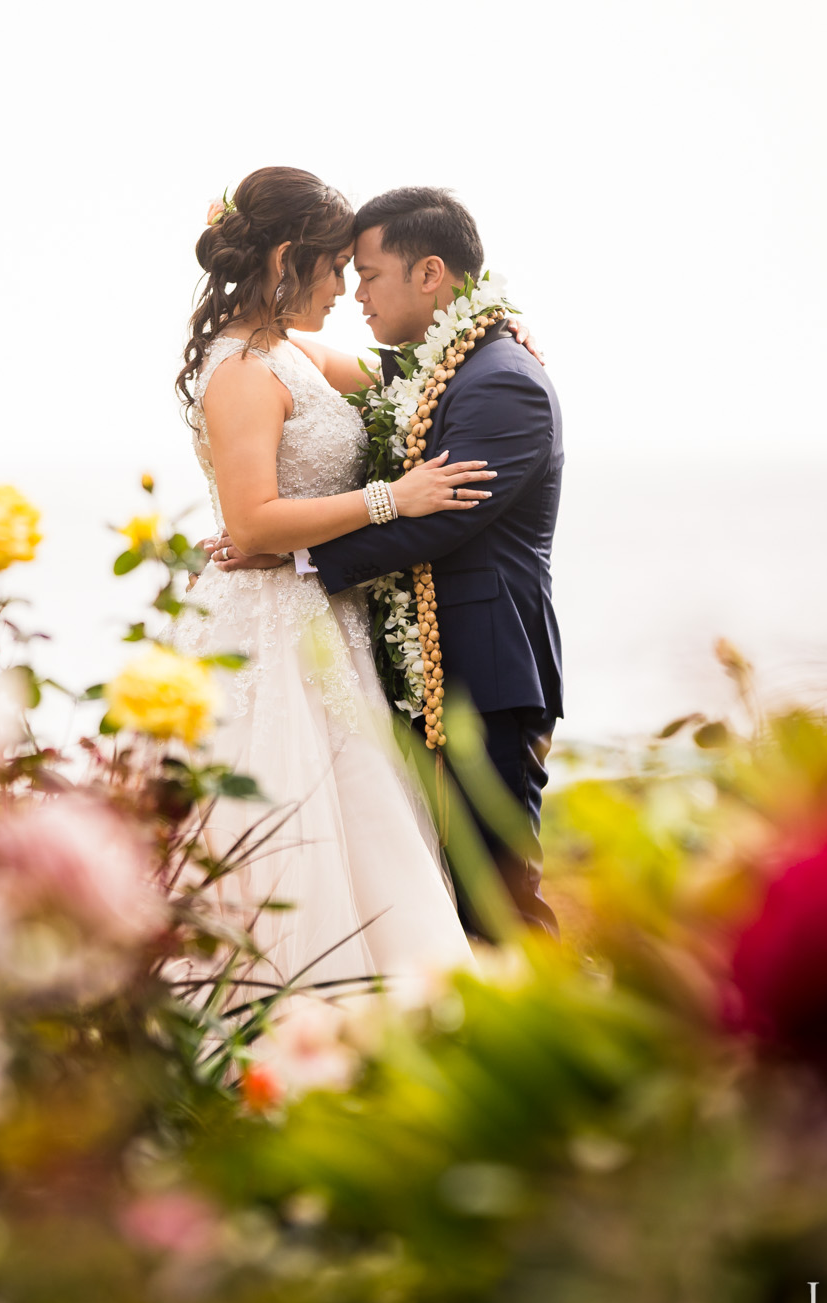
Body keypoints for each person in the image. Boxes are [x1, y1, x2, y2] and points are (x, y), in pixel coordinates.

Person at [211, 186, 563, 939]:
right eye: (341, 270)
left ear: (430, 273)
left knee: (498, 901)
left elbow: (438, 523)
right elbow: (313, 365)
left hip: (488, 673)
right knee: (441, 888)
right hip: (409, 672)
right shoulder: (422, 367)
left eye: (365, 273)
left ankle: (551, 1044)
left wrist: (296, 557)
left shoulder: (500, 378)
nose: (352, 293)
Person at [172, 166, 486, 993]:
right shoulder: (241, 372)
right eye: (335, 267)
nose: (347, 289)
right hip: (271, 626)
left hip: (321, 615)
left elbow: (407, 378)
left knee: (365, 824)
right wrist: (395, 498)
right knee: (291, 816)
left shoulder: (294, 353)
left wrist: (493, 343)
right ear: (287, 259)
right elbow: (251, 525)